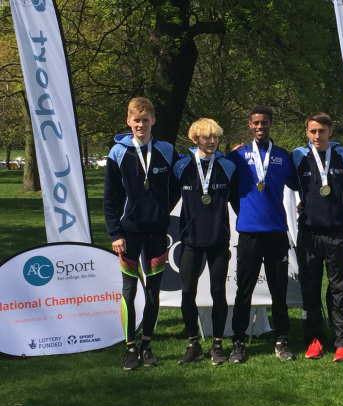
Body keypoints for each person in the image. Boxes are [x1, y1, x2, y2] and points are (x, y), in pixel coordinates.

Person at [103, 97, 180, 370]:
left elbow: (180, 183)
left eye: (146, 120)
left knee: (153, 292)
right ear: (128, 121)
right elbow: (109, 198)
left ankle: (147, 344)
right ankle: (130, 348)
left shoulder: (167, 150)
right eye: (136, 120)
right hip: (128, 234)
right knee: (128, 291)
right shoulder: (117, 152)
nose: (141, 125)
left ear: (153, 121)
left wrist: (160, 211)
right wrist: (115, 233)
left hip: (158, 233)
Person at [226, 105, 298, 363]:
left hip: (277, 232)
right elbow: (228, 188)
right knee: (243, 290)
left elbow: (301, 184)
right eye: (255, 123)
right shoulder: (237, 155)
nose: (260, 127)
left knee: (279, 290)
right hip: (249, 234)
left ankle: (282, 340)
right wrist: (243, 211)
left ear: (270, 124)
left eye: (264, 123)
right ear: (249, 125)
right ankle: (238, 342)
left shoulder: (282, 156)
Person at [291, 112, 343, 362]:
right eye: (312, 131)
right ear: (307, 133)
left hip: (337, 233)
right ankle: (314, 340)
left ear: (330, 131)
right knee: (310, 289)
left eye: (322, 130)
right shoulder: (297, 157)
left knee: (340, 288)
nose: (317, 136)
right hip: (308, 233)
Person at [173, 118, 236, 365]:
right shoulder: (181, 166)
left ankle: (218, 345)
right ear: (195, 139)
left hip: (218, 239)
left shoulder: (228, 166)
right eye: (206, 137)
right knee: (188, 291)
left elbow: (240, 198)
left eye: (216, 137)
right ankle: (193, 344)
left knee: (218, 291)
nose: (212, 141)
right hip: (191, 240)